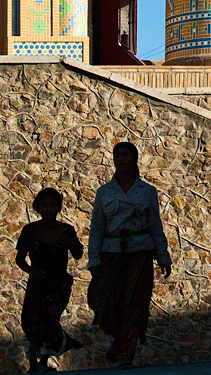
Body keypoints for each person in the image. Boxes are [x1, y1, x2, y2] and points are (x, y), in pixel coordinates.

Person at [88, 142, 172, 369]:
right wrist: (93, 259)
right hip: (111, 253)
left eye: (126, 155)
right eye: (117, 155)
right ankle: (118, 337)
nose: (121, 159)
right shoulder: (105, 192)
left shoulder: (147, 192)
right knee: (107, 301)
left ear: (134, 159)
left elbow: (155, 225)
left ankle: (126, 351)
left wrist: (163, 256)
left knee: (135, 302)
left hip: (140, 251)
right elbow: (96, 228)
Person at [15, 187, 84, 372]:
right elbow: (19, 258)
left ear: (58, 208)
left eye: (52, 205)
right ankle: (32, 363)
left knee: (49, 317)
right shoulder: (29, 231)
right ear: (38, 208)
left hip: (58, 284)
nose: (48, 209)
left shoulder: (66, 230)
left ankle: (45, 359)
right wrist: (31, 271)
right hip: (37, 285)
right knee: (30, 322)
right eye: (44, 205)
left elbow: (79, 253)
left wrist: (71, 244)